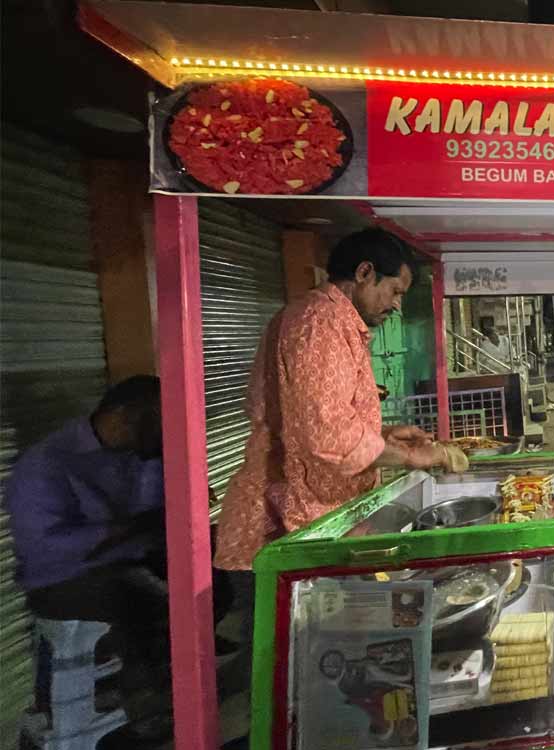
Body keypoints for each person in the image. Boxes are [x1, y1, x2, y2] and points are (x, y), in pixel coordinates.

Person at [214, 229, 458, 656]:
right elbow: (329, 436)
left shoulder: (329, 321)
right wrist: (411, 457)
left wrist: (382, 436)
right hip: (294, 524)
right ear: (365, 273)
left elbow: (307, 420)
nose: (398, 304)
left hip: (314, 517)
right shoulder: (319, 324)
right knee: (298, 664)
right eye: (395, 290)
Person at [4, 376, 228, 731]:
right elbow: (45, 547)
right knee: (128, 599)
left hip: (129, 557)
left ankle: (180, 663)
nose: (168, 428)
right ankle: (140, 702)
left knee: (213, 568)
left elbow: (159, 512)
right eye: (160, 419)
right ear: (127, 415)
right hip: (65, 578)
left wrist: (187, 497)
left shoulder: (141, 453)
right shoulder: (47, 463)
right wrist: (125, 530)